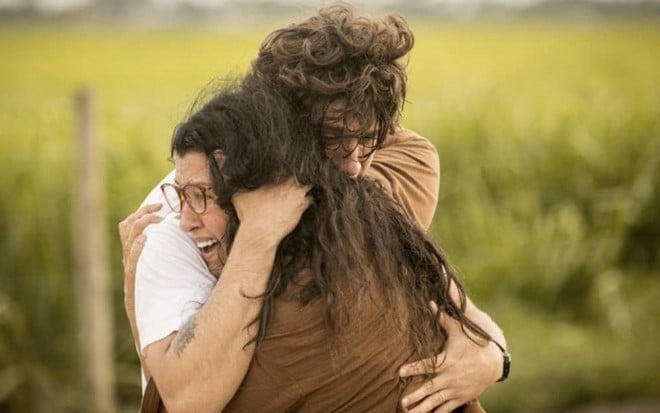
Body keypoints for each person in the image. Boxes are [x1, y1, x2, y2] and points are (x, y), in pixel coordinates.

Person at [119, 3, 508, 413]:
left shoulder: (380, 182)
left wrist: (489, 345)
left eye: (369, 140)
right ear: (277, 127)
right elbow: (187, 398)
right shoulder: (174, 225)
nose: (355, 164)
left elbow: (410, 257)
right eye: (335, 138)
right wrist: (257, 235)